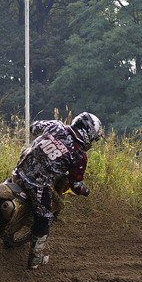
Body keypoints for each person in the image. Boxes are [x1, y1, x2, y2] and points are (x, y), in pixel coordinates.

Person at [11, 112, 104, 269]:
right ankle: (35, 259)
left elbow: (34, 128)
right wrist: (85, 191)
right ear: (88, 133)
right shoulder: (79, 155)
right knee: (45, 217)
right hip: (38, 185)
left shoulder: (56, 125)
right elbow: (76, 185)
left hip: (20, 170)